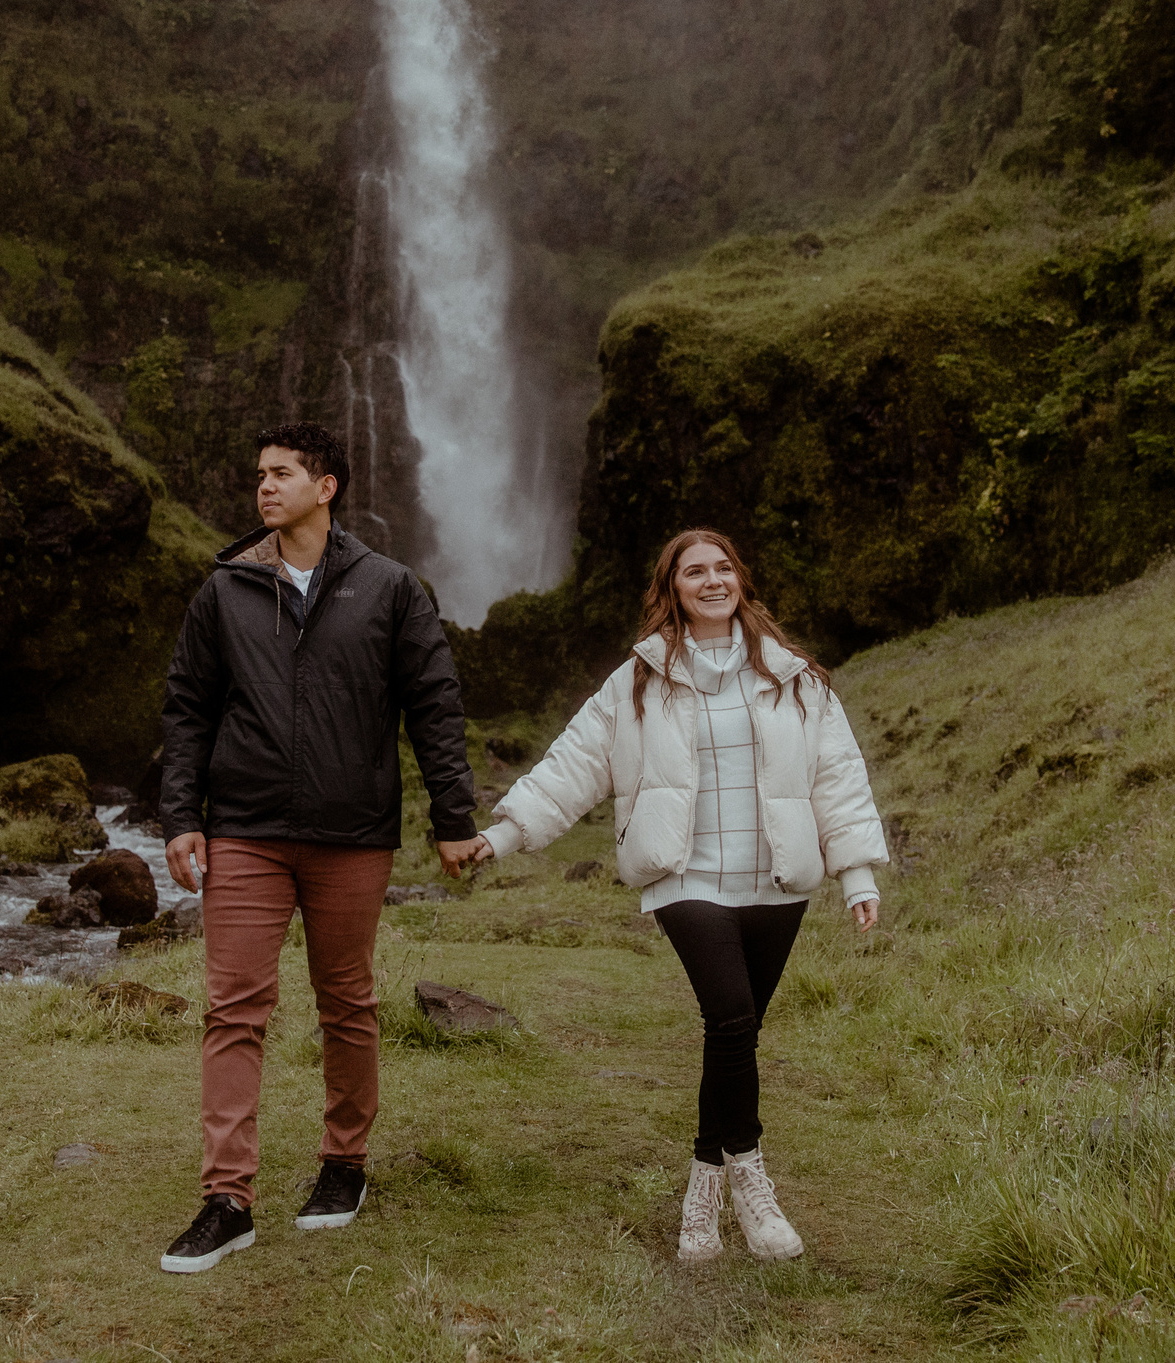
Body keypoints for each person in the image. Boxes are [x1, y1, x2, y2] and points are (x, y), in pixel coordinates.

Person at [462, 528, 887, 1262]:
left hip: (775, 878)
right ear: (673, 588)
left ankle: (704, 1179)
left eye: (724, 568)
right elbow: (576, 764)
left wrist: (857, 872)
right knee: (729, 1016)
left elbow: (837, 775)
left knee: (737, 1035)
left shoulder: (797, 679)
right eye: (696, 570)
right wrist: (502, 836)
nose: (712, 579)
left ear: (740, 582)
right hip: (685, 875)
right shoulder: (636, 682)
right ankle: (750, 1184)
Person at [153, 421, 483, 1273]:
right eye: (260, 473)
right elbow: (188, 705)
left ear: (326, 485)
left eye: (283, 473)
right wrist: (180, 814)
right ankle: (227, 1199)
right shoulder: (224, 589)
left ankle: (344, 1165)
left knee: (346, 1000)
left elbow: (434, 705)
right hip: (247, 831)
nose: (265, 487)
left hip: (352, 834)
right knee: (234, 1008)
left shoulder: (391, 588)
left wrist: (454, 818)